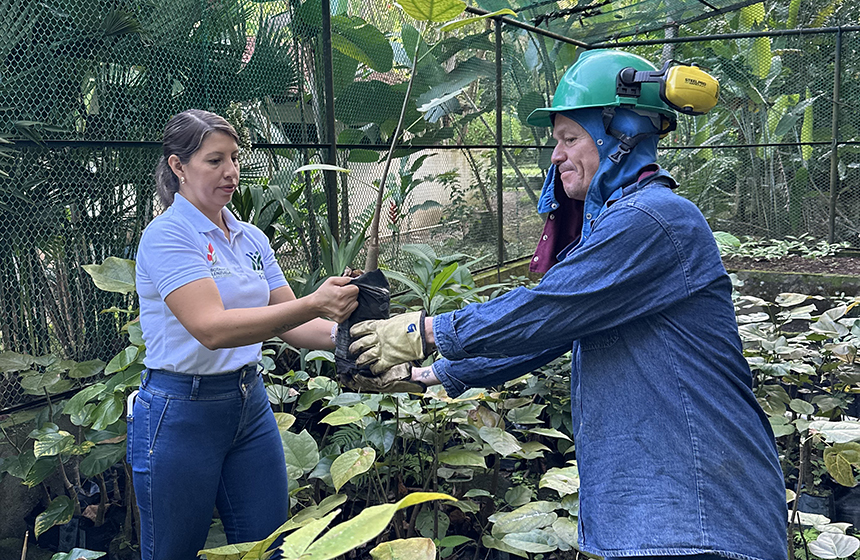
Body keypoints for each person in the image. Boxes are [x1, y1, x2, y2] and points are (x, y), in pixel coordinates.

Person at [345, 50, 788, 560]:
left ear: (620, 137)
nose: (555, 156)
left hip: (698, 510)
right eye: (555, 140)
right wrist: (435, 375)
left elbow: (545, 310)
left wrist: (420, 333)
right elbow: (555, 330)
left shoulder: (656, 220)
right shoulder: (614, 225)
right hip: (660, 510)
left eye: (569, 138)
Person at [129, 109, 359, 560]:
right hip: (180, 414)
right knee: (173, 552)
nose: (231, 172)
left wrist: (359, 337)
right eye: (215, 161)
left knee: (269, 547)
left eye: (234, 158)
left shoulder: (250, 237)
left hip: (248, 406)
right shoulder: (168, 235)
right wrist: (314, 300)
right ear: (179, 167)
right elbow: (210, 329)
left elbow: (292, 322)